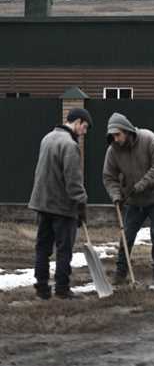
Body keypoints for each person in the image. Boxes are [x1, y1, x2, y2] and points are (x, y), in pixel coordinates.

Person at [28, 108, 93, 300]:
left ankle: (41, 288)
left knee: (42, 248)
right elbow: (73, 181)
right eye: (85, 127)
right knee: (64, 250)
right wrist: (81, 206)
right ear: (78, 122)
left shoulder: (47, 138)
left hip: (42, 203)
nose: (85, 132)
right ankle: (62, 289)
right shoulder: (70, 145)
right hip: (62, 208)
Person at [103, 113, 154, 288]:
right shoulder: (113, 151)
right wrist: (116, 195)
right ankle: (121, 273)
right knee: (126, 236)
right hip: (133, 200)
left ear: (126, 131)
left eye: (118, 135)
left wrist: (142, 184)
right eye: (112, 136)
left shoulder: (148, 139)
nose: (115, 139)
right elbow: (109, 177)